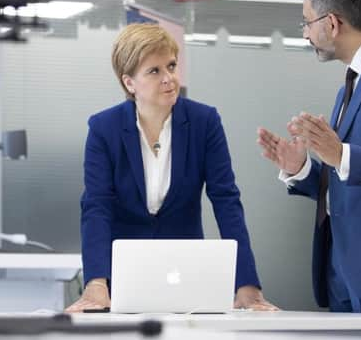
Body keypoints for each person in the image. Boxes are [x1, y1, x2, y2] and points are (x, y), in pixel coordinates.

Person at [66, 23, 277, 313]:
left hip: (185, 274)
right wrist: (96, 283)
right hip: (124, 280)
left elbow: (226, 202)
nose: (169, 79)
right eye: (154, 71)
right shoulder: (104, 128)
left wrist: (247, 285)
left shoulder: (204, 122)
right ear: (129, 82)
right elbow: (96, 206)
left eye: (172, 66)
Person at [257, 0, 361, 313]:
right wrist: (302, 170)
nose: (306, 33)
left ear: (333, 23)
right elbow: (352, 184)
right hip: (343, 277)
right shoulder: (348, 86)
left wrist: (341, 154)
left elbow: (352, 161)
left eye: (308, 22)